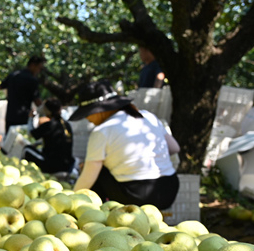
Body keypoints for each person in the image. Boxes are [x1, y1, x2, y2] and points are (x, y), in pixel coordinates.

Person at [72, 80, 180, 209]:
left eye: (87, 114)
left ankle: (97, 214)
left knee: (96, 169)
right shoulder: (148, 116)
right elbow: (174, 148)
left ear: (99, 110)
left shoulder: (103, 131)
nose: (87, 118)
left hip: (137, 195)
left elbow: (88, 177)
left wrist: (72, 198)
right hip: (169, 189)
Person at [23, 98, 74, 174]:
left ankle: (28, 171)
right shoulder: (66, 124)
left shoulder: (49, 125)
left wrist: (31, 117)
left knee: (27, 149)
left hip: (52, 166)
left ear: (47, 110)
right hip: (68, 166)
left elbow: (30, 134)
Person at [0, 55, 45, 130]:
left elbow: (0, 87)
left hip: (10, 115)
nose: (39, 71)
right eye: (39, 68)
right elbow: (37, 101)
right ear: (33, 65)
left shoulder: (13, 75)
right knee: (21, 140)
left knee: (10, 138)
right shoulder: (32, 80)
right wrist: (48, 111)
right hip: (23, 117)